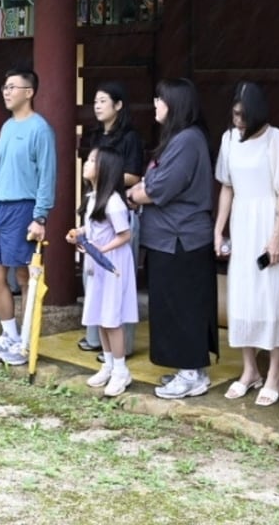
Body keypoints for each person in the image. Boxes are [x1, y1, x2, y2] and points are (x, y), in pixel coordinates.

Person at [126, 78, 217, 399]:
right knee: (170, 305)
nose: (155, 104)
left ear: (176, 104)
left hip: (182, 238)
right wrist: (141, 192)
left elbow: (159, 187)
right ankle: (186, 369)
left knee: (183, 307)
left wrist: (137, 193)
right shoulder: (178, 139)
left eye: (160, 99)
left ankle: (192, 372)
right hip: (168, 238)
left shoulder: (188, 140)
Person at [214, 81, 279, 407]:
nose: (237, 120)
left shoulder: (276, 140)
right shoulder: (228, 139)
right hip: (242, 222)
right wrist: (219, 229)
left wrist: (276, 235)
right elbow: (227, 187)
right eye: (234, 113)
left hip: (269, 220)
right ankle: (250, 370)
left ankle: (275, 372)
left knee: (272, 296)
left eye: (243, 115)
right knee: (244, 295)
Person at [0, 68, 56, 367]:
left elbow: (47, 176)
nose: (6, 92)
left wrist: (40, 216)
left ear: (29, 91)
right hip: (1, 208)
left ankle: (26, 341)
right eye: (5, 86)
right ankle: (9, 335)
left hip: (26, 207)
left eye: (13, 87)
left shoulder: (40, 129)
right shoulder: (7, 127)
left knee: (25, 276)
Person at [79, 83, 144, 355]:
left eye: (103, 101)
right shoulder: (95, 135)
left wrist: (106, 177)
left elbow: (135, 175)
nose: (97, 105)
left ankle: (122, 350)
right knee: (93, 280)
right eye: (95, 101)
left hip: (118, 209)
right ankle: (96, 341)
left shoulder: (130, 137)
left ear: (118, 105)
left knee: (117, 286)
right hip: (96, 209)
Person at [69, 146, 138, 396]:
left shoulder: (114, 201)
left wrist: (100, 249)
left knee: (112, 319)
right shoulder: (92, 197)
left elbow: (125, 235)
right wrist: (80, 233)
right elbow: (93, 227)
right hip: (97, 264)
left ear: (104, 169)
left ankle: (121, 371)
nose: (85, 164)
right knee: (99, 314)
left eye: (91, 160)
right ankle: (108, 365)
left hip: (112, 266)